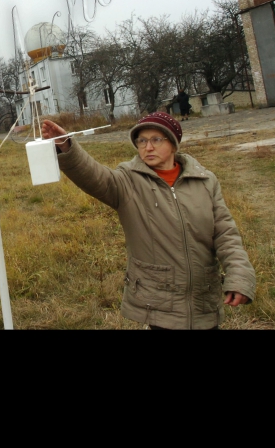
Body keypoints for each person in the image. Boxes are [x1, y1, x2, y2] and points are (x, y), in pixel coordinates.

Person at [41, 111, 256, 330]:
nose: (148, 147)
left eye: (156, 140)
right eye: (142, 141)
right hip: (160, 305)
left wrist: (239, 277)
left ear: (173, 144)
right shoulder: (128, 180)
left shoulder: (205, 181)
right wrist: (67, 146)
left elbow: (225, 234)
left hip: (204, 302)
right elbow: (95, 177)